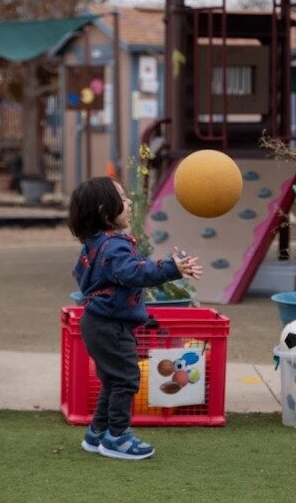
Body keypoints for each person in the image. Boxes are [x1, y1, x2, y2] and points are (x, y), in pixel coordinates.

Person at [68, 176, 202, 460]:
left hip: (98, 322)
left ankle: (97, 433)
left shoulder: (94, 244)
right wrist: (172, 268)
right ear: (105, 211)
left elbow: (81, 275)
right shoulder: (114, 245)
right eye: (123, 197)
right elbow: (136, 273)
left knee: (113, 381)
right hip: (110, 325)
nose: (129, 202)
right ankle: (117, 437)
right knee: (126, 379)